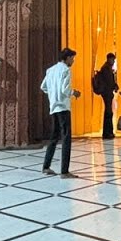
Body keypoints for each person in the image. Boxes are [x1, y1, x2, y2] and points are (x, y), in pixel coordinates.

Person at [42, 48, 82, 177]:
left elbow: (43, 87)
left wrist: (53, 95)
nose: (73, 61)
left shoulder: (50, 70)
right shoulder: (65, 70)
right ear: (67, 58)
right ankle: (64, 171)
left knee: (54, 137)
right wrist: (74, 92)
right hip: (63, 107)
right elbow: (65, 90)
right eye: (72, 58)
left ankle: (46, 166)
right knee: (66, 138)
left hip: (53, 107)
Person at [93, 53, 120, 139]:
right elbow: (109, 82)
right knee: (108, 113)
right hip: (107, 93)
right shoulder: (106, 68)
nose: (113, 61)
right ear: (109, 59)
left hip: (107, 93)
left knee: (109, 112)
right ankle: (107, 133)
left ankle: (108, 132)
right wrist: (114, 86)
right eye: (113, 59)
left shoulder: (107, 68)